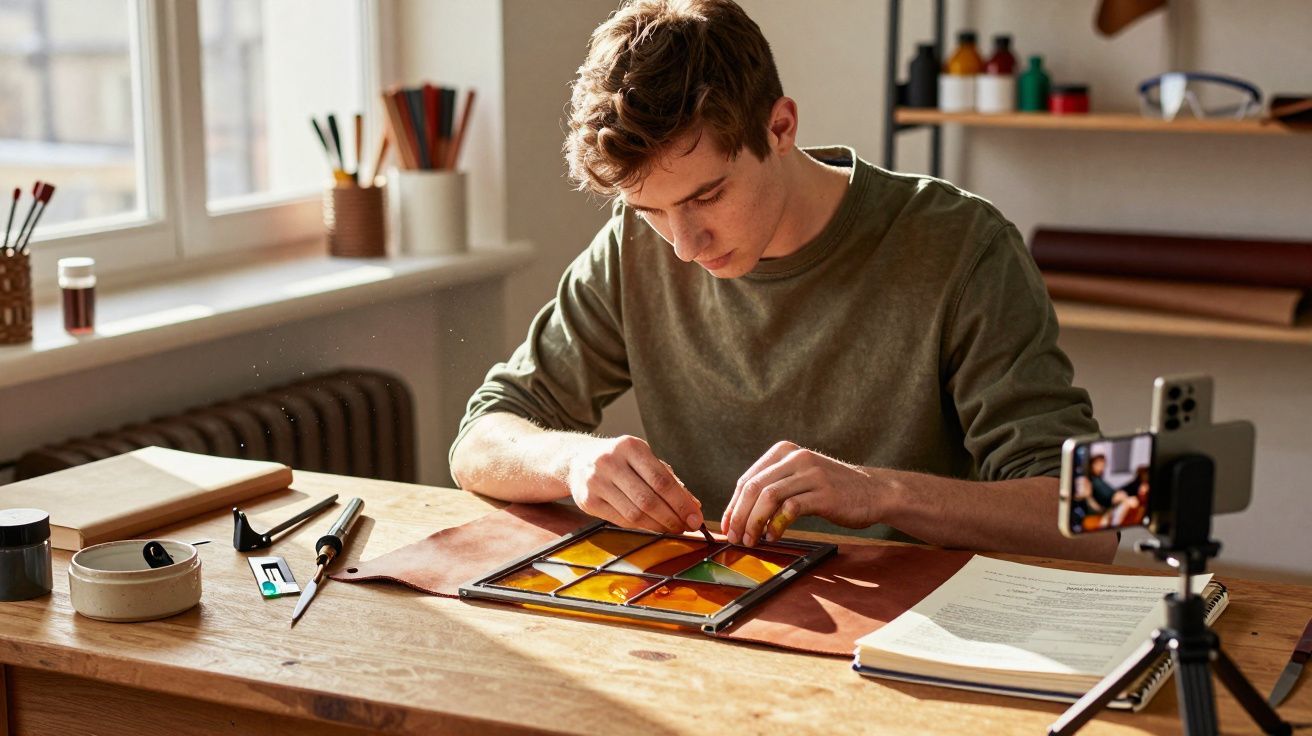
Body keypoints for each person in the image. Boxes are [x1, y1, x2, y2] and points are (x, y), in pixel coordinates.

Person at [450, 0, 1113, 563]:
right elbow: (481, 437)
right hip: (716, 619)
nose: (683, 245)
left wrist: (880, 494)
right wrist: (571, 463)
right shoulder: (630, 251)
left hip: (911, 645)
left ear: (781, 127)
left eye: (708, 196)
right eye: (650, 210)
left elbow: (1094, 522)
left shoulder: (962, 247)